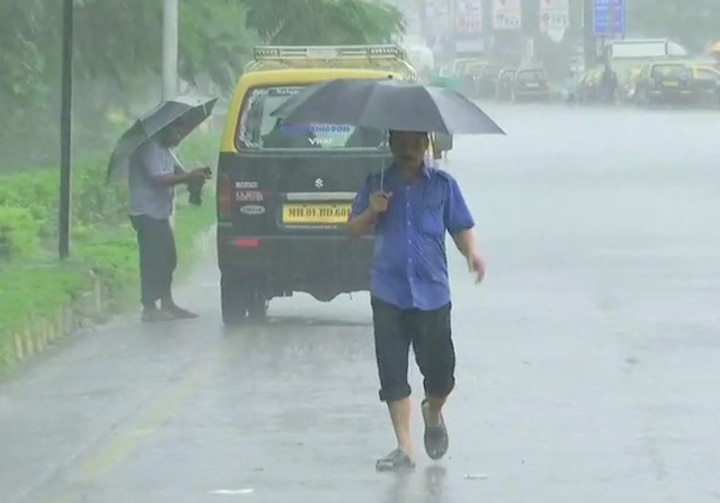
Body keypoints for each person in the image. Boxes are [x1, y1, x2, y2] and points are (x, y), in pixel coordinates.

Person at [347, 130, 485, 472]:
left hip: (433, 293)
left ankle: (433, 411)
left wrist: (473, 254)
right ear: (391, 143)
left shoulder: (443, 185)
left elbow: (462, 227)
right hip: (388, 292)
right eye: (402, 143)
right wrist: (372, 212)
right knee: (392, 372)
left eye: (415, 144)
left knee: (442, 375)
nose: (409, 151)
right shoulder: (375, 183)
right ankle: (404, 447)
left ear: (426, 144)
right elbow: (352, 230)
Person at [128, 123, 211, 322]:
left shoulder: (165, 150)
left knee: (168, 259)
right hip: (145, 212)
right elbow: (160, 180)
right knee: (152, 260)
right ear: (164, 129)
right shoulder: (149, 148)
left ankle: (167, 303)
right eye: (177, 131)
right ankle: (149, 307)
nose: (180, 135)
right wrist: (188, 177)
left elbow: (179, 172)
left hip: (160, 213)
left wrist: (195, 175)